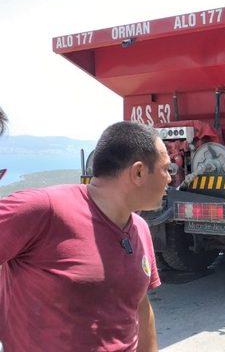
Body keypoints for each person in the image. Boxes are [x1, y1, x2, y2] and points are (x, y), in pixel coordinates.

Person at [0, 121, 172, 351]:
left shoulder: (140, 229)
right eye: (166, 169)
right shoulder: (43, 210)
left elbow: (140, 307)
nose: (170, 178)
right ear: (139, 172)